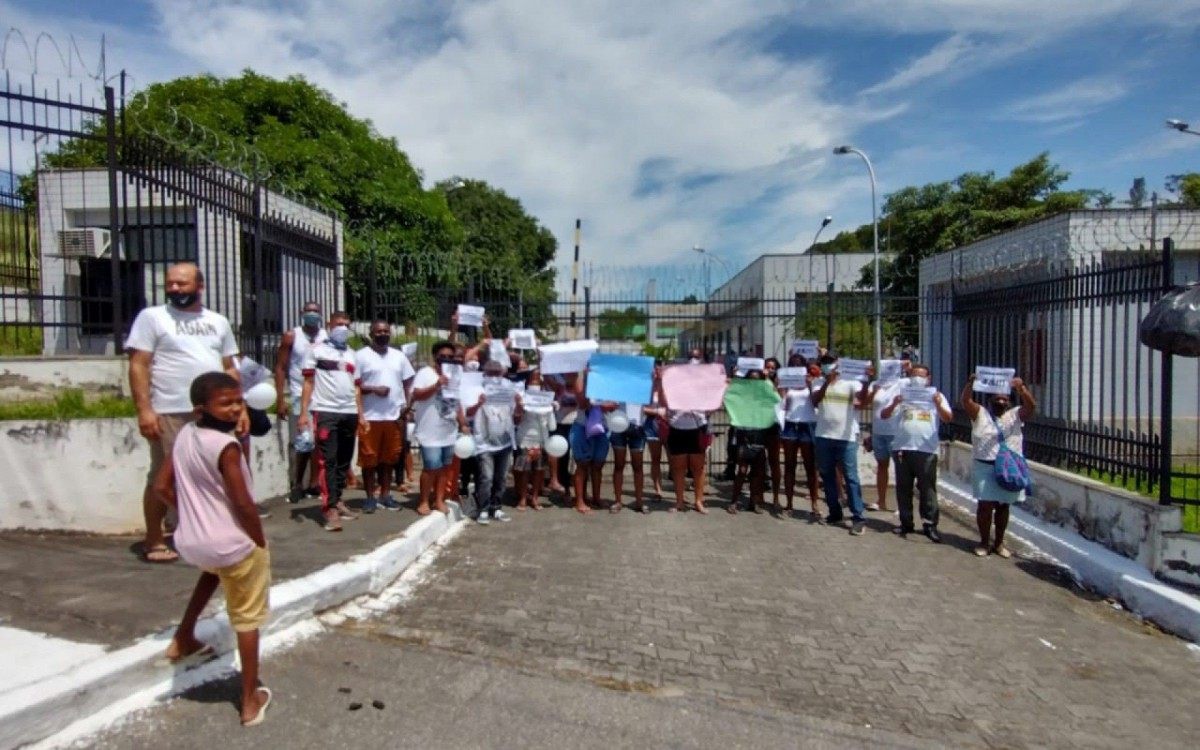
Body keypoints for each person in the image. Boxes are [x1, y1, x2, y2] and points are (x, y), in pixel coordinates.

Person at [153, 372, 271, 726]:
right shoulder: (226, 446)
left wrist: (189, 513)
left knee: (212, 574)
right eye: (226, 403)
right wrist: (259, 539)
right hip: (232, 542)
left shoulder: (186, 434)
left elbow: (161, 486)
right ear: (201, 408)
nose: (236, 409)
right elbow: (243, 502)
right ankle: (249, 699)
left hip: (192, 542)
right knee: (248, 618)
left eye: (238, 401)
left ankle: (183, 638)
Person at [126, 262, 243, 564]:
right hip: (170, 410)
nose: (175, 288)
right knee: (162, 477)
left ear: (200, 287)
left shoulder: (218, 322)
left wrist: (238, 408)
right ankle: (154, 539)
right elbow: (138, 364)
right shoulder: (152, 317)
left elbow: (230, 366)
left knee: (214, 475)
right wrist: (145, 410)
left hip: (213, 413)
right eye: (170, 284)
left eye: (182, 283)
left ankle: (205, 533)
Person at [297, 312, 367, 532]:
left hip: (349, 412)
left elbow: (356, 387)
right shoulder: (316, 351)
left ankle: (337, 499)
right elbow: (308, 382)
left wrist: (361, 413)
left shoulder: (352, 354)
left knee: (344, 461)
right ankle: (329, 509)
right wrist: (303, 414)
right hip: (326, 411)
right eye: (339, 324)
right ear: (329, 325)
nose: (343, 328)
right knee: (328, 459)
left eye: (347, 325)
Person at [962, 373, 1037, 558]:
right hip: (985, 466)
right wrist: (971, 382)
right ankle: (984, 542)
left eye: (1005, 398)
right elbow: (965, 401)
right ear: (990, 399)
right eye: (997, 398)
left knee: (1004, 506)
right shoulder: (980, 413)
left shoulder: (1015, 415)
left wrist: (1022, 389)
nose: (1001, 400)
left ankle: (999, 542)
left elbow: (1031, 407)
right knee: (985, 506)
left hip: (1008, 467)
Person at [881, 364, 952, 542]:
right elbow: (884, 415)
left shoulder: (937, 396)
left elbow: (948, 417)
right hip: (903, 449)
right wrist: (896, 403)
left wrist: (937, 403)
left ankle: (930, 525)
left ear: (928, 379)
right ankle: (906, 523)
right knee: (903, 488)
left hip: (926, 449)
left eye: (921, 376)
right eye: (913, 375)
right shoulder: (902, 395)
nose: (917, 378)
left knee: (927, 490)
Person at [355, 320, 415, 513]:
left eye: (386, 331)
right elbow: (354, 385)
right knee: (369, 459)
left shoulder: (399, 356)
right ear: (371, 333)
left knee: (390, 459)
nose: (383, 334)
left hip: (394, 417)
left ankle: (386, 494)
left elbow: (407, 384)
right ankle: (370, 497)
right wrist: (373, 389)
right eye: (379, 331)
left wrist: (408, 407)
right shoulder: (360, 356)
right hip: (370, 417)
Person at [274, 301, 327, 503]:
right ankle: (297, 484)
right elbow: (280, 367)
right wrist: (280, 398)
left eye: (316, 311)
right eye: (309, 311)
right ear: (301, 313)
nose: (312, 315)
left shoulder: (325, 337)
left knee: (318, 443)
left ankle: (314, 483)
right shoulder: (292, 336)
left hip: (321, 395)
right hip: (298, 394)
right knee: (303, 441)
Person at [811, 354, 870, 535]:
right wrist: (827, 382)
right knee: (827, 476)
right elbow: (814, 401)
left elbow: (861, 403)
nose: (827, 366)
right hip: (823, 435)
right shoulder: (817, 383)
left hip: (846, 438)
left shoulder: (851, 383)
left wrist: (867, 382)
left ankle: (858, 517)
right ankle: (834, 512)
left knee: (850, 477)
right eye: (824, 364)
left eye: (830, 363)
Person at [410, 340, 470, 516]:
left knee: (444, 467)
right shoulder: (425, 373)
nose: (446, 359)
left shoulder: (455, 375)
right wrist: (437, 385)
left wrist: (462, 422)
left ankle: (439, 499)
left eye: (450, 357)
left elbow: (456, 402)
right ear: (435, 357)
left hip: (448, 430)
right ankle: (423, 501)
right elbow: (417, 395)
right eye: (442, 356)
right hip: (429, 431)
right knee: (431, 466)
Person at [470, 360, 519, 524]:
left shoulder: (508, 390)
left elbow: (517, 416)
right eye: (490, 373)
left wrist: (519, 404)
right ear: (484, 374)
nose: (494, 377)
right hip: (484, 443)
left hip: (504, 442)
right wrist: (478, 403)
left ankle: (496, 507)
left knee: (501, 477)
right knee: (487, 477)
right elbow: (467, 412)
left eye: (497, 373)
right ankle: (483, 509)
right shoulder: (476, 389)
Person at [864, 361, 911, 512]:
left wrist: (906, 366)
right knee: (882, 466)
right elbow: (866, 402)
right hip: (878, 432)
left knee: (900, 469)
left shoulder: (902, 383)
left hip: (896, 433)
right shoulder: (875, 384)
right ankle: (881, 500)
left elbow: (915, 378)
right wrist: (873, 391)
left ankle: (901, 504)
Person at [570, 370, 618, 514]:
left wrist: (606, 405)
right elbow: (583, 403)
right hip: (583, 427)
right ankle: (580, 500)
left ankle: (596, 498)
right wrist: (585, 378)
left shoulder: (607, 382)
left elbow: (614, 403)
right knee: (582, 464)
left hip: (602, 428)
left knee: (598, 465)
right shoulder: (580, 380)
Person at [780, 356, 821, 519]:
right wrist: (782, 389)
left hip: (808, 424)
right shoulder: (786, 382)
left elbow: (817, 403)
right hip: (790, 424)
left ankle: (814, 503)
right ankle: (789, 503)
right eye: (793, 365)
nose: (796, 367)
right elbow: (782, 405)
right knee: (789, 466)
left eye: (799, 365)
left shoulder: (813, 381)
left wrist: (810, 384)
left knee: (811, 467)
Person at [728, 369, 770, 514]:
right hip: (744, 438)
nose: (754, 382)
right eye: (751, 379)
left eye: (757, 380)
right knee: (741, 471)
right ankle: (733, 501)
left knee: (757, 474)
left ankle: (754, 502)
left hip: (760, 438)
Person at [514, 369, 554, 511]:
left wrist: (552, 408)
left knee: (539, 470)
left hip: (541, 438)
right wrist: (520, 406)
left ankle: (535, 497)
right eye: (533, 379)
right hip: (525, 437)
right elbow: (517, 420)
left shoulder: (546, 398)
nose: (536, 382)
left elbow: (551, 424)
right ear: (528, 382)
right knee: (524, 469)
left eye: (538, 379)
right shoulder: (522, 397)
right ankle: (523, 498)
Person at [661, 400, 710, 514]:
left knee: (698, 468)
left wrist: (723, 388)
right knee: (678, 468)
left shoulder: (702, 383)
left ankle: (698, 501)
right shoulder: (673, 383)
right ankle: (679, 501)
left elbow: (713, 402)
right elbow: (663, 400)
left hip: (698, 427)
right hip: (676, 427)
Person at [610, 403, 649, 513]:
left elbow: (649, 400)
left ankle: (639, 501)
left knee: (638, 466)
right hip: (618, 424)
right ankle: (618, 501)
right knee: (618, 465)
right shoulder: (618, 385)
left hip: (637, 425)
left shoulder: (642, 385)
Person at [643, 363, 668, 498]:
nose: (658, 371)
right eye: (656, 368)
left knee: (673, 458)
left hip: (668, 424)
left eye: (661, 369)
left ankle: (677, 489)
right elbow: (642, 408)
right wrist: (656, 411)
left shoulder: (671, 386)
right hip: (652, 424)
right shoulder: (648, 387)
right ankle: (657, 488)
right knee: (655, 459)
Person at [762, 357, 784, 510]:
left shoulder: (779, 383)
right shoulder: (757, 381)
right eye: (767, 367)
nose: (770, 370)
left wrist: (774, 385)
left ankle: (776, 496)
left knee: (774, 461)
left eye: (772, 368)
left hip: (774, 425)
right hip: (758, 424)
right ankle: (759, 496)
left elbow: (780, 399)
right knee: (758, 462)